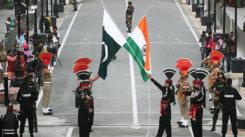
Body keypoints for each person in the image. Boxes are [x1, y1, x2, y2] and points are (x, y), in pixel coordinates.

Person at [147, 68, 176, 137]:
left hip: (165, 108)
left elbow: (157, 85)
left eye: (165, 83)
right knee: (163, 122)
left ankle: (166, 135)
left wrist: (151, 78)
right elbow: (171, 100)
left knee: (165, 123)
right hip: (166, 107)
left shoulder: (166, 89)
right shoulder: (170, 90)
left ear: (168, 84)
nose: (164, 83)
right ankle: (160, 135)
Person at [175, 58, 193, 127]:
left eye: (182, 74)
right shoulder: (181, 79)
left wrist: (183, 100)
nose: (181, 74)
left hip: (183, 96)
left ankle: (186, 122)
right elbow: (179, 87)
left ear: (185, 75)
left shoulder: (186, 82)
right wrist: (177, 89)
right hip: (180, 95)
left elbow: (186, 91)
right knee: (181, 109)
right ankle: (183, 119)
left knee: (185, 109)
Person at [76, 70, 93, 137]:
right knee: (84, 133)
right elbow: (82, 105)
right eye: (86, 86)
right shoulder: (81, 95)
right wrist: (88, 110)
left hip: (86, 118)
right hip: (83, 118)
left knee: (87, 133)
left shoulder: (84, 94)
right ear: (83, 86)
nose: (88, 87)